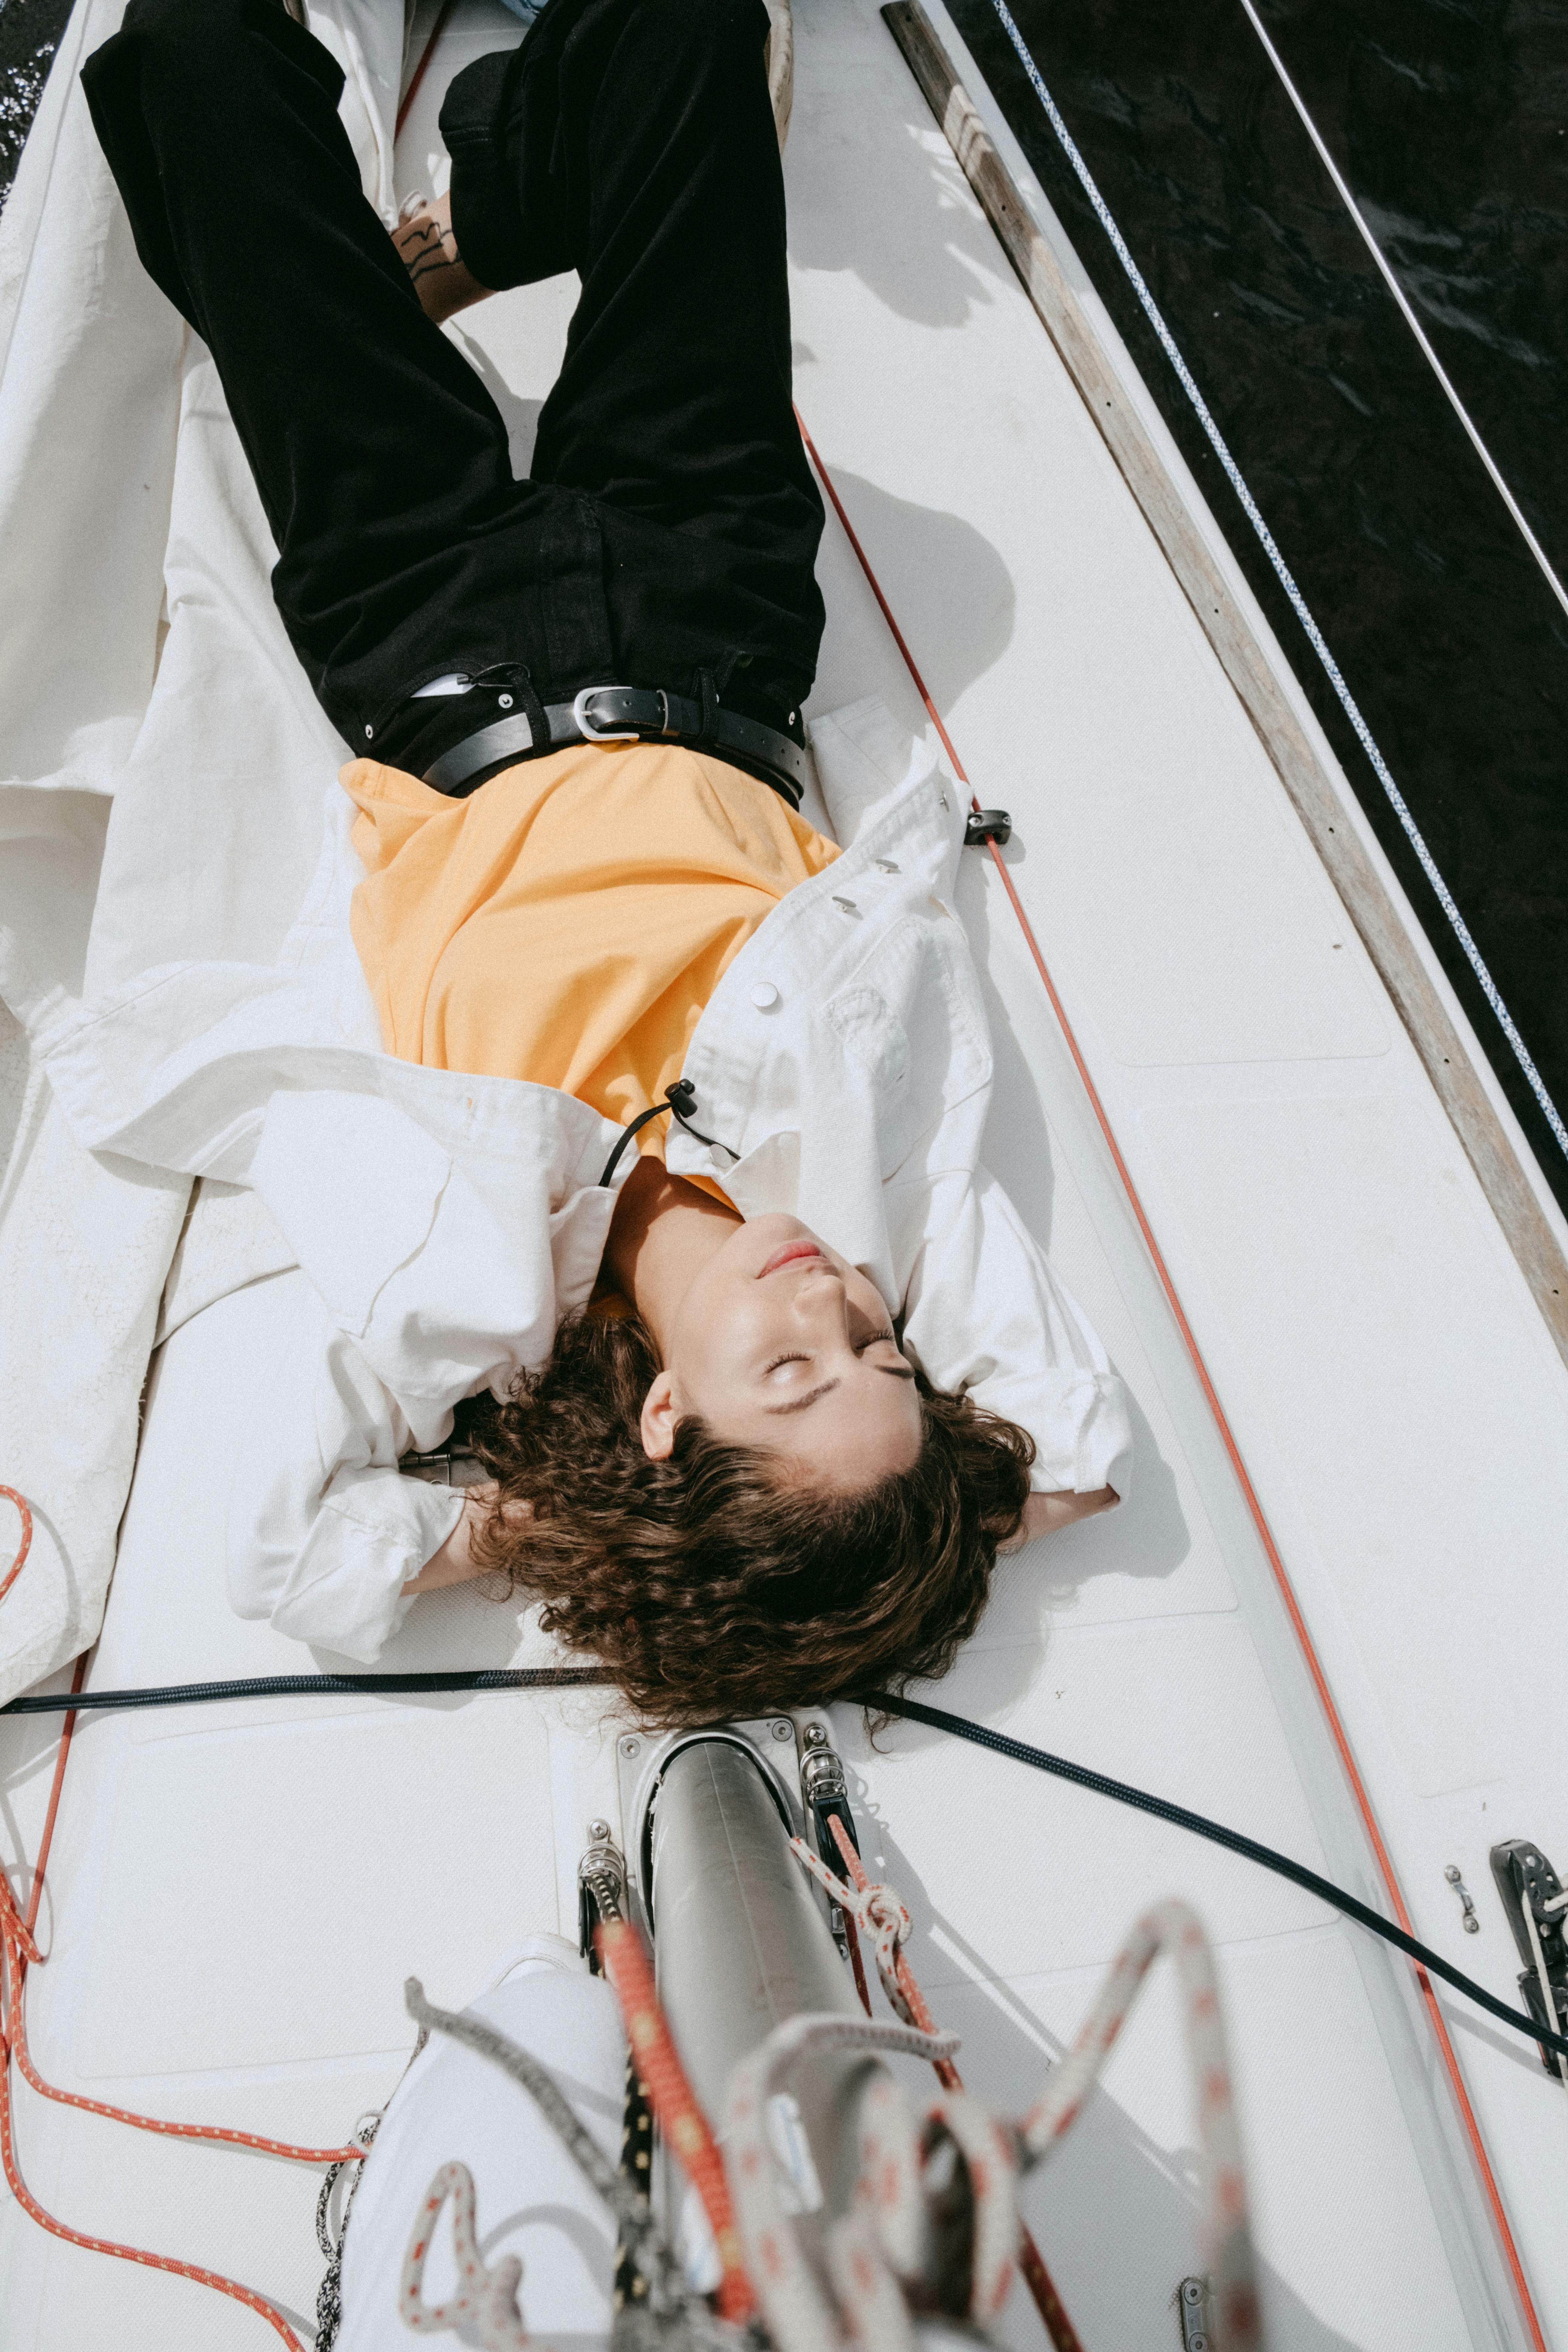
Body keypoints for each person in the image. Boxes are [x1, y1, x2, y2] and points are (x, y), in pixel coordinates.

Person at [77, 0, 1131, 1726]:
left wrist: (575, 1534)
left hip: (424, 639)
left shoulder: (468, 1291)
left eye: (792, 1374)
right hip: (708, 618)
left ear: (660, 1423)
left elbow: (295, 1556)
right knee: (683, 27)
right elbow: (1075, 1449)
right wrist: (891, 1529)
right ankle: (503, 197)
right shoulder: (879, 1194)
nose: (839, 1311)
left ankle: (467, 222)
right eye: (880, 1353)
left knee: (195, 61)